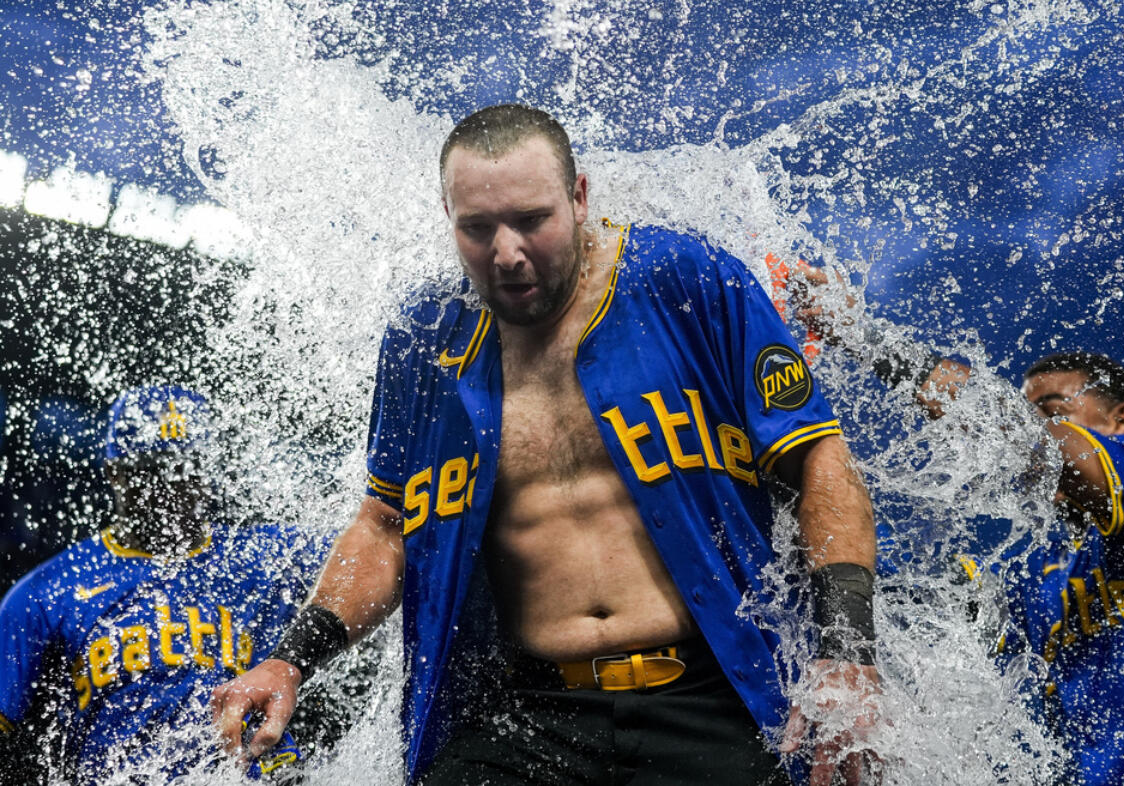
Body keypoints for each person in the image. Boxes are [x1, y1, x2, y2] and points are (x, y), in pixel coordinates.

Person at [211, 104, 881, 785]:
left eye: (533, 220)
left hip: (711, 699)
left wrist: (848, 653)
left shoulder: (689, 283)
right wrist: (290, 658)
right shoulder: (426, 340)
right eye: (477, 229)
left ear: (580, 198)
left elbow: (818, 458)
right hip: (527, 715)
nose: (507, 253)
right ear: (447, 217)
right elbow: (385, 525)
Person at [786, 263, 1124, 785]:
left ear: (1121, 420)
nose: (1032, 425)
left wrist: (865, 336)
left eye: (1053, 410)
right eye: (1027, 411)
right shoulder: (1036, 570)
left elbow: (1026, 440)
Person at [0, 385, 326, 783]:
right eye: (153, 470)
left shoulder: (265, 556)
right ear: (114, 474)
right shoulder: (48, 591)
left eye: (186, 467)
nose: (173, 487)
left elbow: (378, 548)